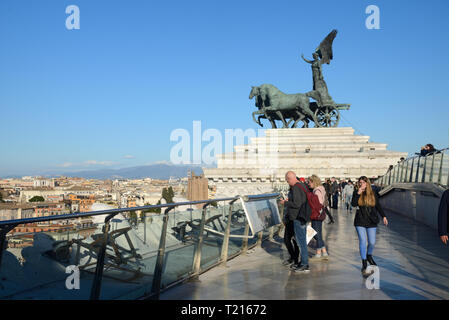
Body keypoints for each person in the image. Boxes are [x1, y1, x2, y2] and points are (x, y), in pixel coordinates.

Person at [351, 176, 388, 276]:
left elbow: (378, 205)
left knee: (372, 242)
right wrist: (358, 193)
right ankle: (364, 263)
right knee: (363, 241)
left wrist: (384, 216)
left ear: (367, 183)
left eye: (363, 182)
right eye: (360, 182)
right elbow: (353, 204)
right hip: (360, 220)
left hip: (371, 220)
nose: (361, 184)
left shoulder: (373, 193)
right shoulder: (356, 192)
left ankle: (369, 255)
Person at [280, 171, 311, 273]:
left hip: (298, 217)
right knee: (300, 242)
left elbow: (297, 204)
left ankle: (304, 264)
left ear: (290, 179)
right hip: (303, 216)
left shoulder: (297, 187)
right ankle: (302, 262)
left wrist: (286, 202)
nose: (288, 183)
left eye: (287, 180)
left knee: (301, 242)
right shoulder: (303, 186)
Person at [308, 175, 329, 260]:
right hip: (319, 214)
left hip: (316, 214)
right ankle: (323, 251)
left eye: (309, 182)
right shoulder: (321, 188)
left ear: (314, 182)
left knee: (316, 233)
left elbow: (319, 203)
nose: (308, 184)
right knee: (317, 233)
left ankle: (318, 252)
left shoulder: (317, 191)